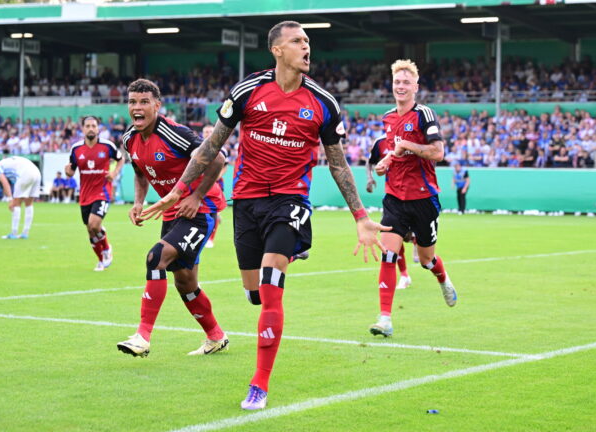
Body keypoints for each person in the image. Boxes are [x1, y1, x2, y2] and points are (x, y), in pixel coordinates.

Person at [138, 21, 388, 410]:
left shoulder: (324, 102)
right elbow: (209, 148)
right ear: (277, 50)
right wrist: (176, 192)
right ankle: (288, 250)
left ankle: (259, 384)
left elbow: (338, 164)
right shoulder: (248, 91)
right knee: (254, 295)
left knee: (272, 284)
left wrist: (359, 215)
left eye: (308, 41)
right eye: (298, 42)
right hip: (247, 203)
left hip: (289, 201)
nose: (307, 48)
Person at [116, 78, 229, 359]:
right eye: (132, 102)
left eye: (144, 102)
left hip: (199, 211)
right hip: (172, 212)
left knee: (156, 257)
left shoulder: (174, 133)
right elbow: (141, 172)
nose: (137, 107)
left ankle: (142, 336)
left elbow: (217, 158)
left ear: (157, 105)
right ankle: (216, 337)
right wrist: (139, 202)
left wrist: (196, 196)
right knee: (185, 283)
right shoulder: (130, 138)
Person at [368, 59, 457, 339]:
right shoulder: (388, 118)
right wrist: (385, 164)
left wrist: (408, 146)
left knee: (426, 259)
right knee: (388, 254)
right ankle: (385, 319)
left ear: (416, 87)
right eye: (397, 82)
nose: (401, 86)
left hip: (423, 198)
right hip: (394, 197)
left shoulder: (424, 115)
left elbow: (438, 153)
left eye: (406, 82)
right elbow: (393, 154)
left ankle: (442, 278)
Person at [65, 116, 124, 271]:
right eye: (87, 126)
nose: (91, 128)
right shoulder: (76, 149)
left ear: (98, 128)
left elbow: (121, 159)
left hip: (102, 192)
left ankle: (106, 249)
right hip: (85, 195)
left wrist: (114, 173)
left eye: (93, 126)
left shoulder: (107, 146)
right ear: (83, 129)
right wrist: (68, 171)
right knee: (90, 229)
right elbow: (71, 169)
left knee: (94, 224)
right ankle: (100, 260)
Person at [366, 135, 413, 289]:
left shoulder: (410, 138)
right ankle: (404, 275)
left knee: (409, 241)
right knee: (393, 238)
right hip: (393, 199)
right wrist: (370, 178)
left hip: (414, 196)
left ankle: (418, 242)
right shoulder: (380, 142)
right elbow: (370, 162)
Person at [0, 156, 42, 239]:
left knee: (16, 204)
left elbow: (5, 183)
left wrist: (10, 199)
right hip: (36, 172)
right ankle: (25, 233)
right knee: (29, 203)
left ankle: (14, 233)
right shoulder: (7, 163)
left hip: (25, 173)